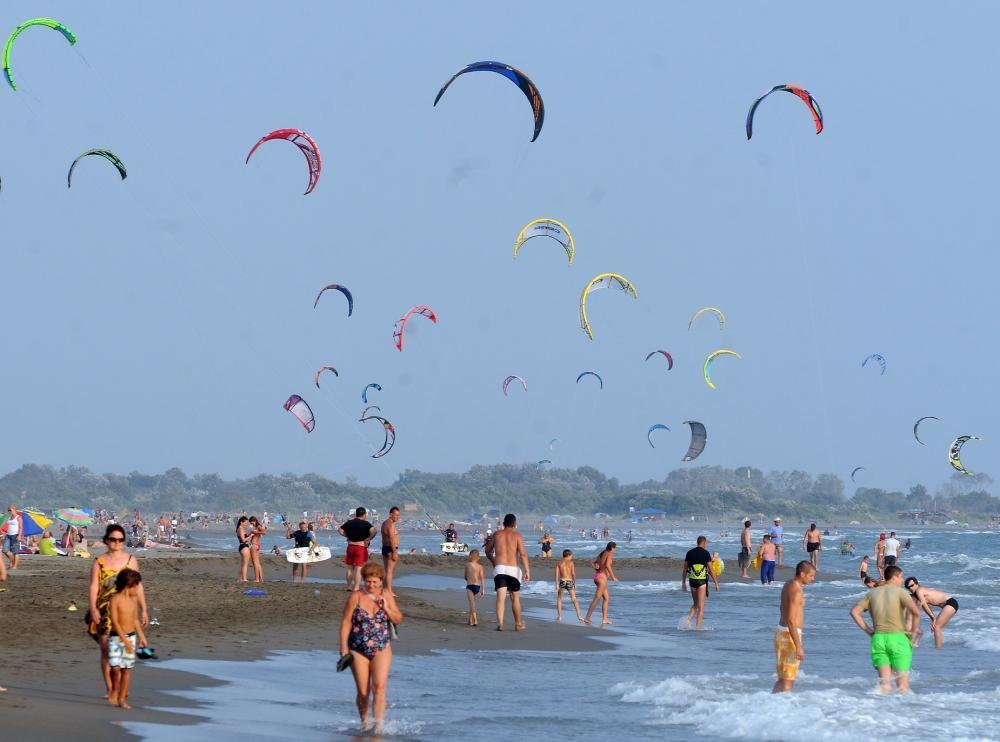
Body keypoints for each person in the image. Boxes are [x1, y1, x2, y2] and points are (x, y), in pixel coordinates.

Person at [339, 562, 404, 734]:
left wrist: (387, 608)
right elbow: (346, 622)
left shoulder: (387, 595)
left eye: (375, 582)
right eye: (368, 581)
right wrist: (343, 648)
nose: (371, 585)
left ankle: (378, 727)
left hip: (382, 646)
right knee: (363, 692)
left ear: (381, 581)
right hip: (357, 648)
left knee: (379, 687)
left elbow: (398, 619)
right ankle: (365, 723)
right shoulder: (356, 597)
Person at [88, 524, 148, 701]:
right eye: (113, 539)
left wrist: (143, 609)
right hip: (104, 610)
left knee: (124, 650)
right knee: (106, 650)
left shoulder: (130, 561)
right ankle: (111, 689)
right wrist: (92, 609)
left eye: (121, 540)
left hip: (126, 611)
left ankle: (121, 688)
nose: (117, 543)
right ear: (106, 540)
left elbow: (138, 586)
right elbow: (93, 586)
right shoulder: (99, 561)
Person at [849, 565, 921, 694]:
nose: (901, 580)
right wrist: (912, 634)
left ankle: (877, 712)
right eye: (901, 577)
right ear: (894, 577)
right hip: (898, 639)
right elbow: (916, 613)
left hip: (878, 639)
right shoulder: (901, 592)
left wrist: (869, 632)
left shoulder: (871, 593)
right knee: (903, 687)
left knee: (884, 686)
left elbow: (854, 612)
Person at [107, 568, 148, 710]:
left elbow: (135, 620)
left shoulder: (133, 600)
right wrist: (123, 640)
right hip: (116, 637)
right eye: (136, 586)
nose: (137, 589)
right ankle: (113, 690)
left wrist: (142, 636)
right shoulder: (115, 599)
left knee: (126, 669)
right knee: (115, 668)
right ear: (127, 585)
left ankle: (122, 698)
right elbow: (115, 621)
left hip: (131, 637)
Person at [773, 561, 816, 692]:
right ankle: (783, 708)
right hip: (789, 636)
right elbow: (791, 620)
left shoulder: (787, 584)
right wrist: (798, 646)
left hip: (782, 633)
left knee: (783, 679)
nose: (813, 579)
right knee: (788, 681)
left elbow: (782, 609)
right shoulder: (796, 591)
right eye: (811, 576)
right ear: (802, 574)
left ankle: (771, 704)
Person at [484, 513, 531, 631]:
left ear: (504, 523)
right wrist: (527, 571)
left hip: (499, 569)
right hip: (513, 569)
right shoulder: (517, 536)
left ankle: (500, 624)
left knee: (500, 598)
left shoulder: (497, 534)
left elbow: (487, 551)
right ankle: (518, 624)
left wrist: (494, 561)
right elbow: (523, 554)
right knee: (515, 598)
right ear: (514, 524)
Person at [905, 577, 959, 648]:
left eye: (912, 585)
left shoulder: (919, 591)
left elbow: (924, 604)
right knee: (937, 628)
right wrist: (933, 618)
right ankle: (941, 650)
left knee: (936, 627)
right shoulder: (917, 594)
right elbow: (926, 606)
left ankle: (938, 650)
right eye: (908, 587)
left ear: (917, 584)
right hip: (948, 605)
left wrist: (933, 618)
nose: (911, 588)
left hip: (950, 603)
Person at [681, 536, 719, 630]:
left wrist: (683, 583)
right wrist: (716, 583)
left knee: (695, 604)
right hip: (702, 581)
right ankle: (698, 629)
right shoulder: (706, 553)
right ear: (704, 543)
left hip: (692, 581)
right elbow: (711, 570)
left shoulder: (689, 553)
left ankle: (687, 622)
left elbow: (685, 569)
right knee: (701, 607)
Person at [339, 508, 376, 592]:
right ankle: (356, 587)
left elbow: (340, 530)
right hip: (360, 547)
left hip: (350, 546)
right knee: (358, 568)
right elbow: (374, 531)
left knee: (349, 568)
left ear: (356, 514)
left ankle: (349, 586)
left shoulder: (349, 522)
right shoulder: (366, 523)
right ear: (364, 515)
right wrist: (369, 538)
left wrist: (347, 536)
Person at [586, 542, 619, 626]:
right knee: (596, 599)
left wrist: (595, 567)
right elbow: (608, 565)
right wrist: (613, 577)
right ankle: (587, 618)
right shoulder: (609, 553)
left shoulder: (603, 552)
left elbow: (592, 561)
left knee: (607, 598)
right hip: (602, 578)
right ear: (612, 548)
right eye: (615, 548)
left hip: (597, 576)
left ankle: (604, 619)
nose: (616, 549)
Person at [555, 549, 584, 623]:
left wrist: (556, 584)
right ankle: (579, 616)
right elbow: (573, 573)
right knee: (574, 599)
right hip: (570, 581)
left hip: (562, 581)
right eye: (571, 555)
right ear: (568, 555)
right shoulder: (571, 563)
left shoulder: (559, 563)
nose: (572, 557)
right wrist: (575, 583)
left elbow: (557, 575)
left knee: (559, 599)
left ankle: (560, 616)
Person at [380, 507, 401, 595]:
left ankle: (385, 589)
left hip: (385, 547)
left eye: (398, 515)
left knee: (386, 570)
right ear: (391, 514)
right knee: (389, 571)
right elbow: (392, 539)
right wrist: (394, 552)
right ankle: (389, 591)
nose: (397, 517)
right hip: (390, 549)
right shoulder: (390, 525)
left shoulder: (384, 523)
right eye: (396, 515)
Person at [464, 549, 485, 626]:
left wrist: (468, 578)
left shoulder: (467, 564)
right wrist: (483, 589)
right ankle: (470, 620)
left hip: (470, 586)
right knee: (472, 604)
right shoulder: (480, 566)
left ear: (470, 556)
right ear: (478, 557)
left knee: (472, 604)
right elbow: (482, 578)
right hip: (477, 586)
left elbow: (465, 576)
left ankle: (475, 620)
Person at [3, 505, 24, 571]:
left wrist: (19, 535)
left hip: (15, 535)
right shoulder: (10, 517)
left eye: (10, 510)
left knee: (15, 552)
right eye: (8, 510)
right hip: (8, 535)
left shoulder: (18, 517)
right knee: (5, 550)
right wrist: (5, 533)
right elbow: (9, 527)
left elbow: (21, 528)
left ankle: (14, 566)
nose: (9, 511)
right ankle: (12, 562)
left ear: (14, 510)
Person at [247, 516, 267, 583]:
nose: (251, 524)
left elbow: (264, 533)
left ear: (254, 520)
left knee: (255, 562)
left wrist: (255, 532)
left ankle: (257, 579)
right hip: (256, 545)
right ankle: (261, 579)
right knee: (257, 563)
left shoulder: (258, 526)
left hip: (254, 545)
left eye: (251, 522)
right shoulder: (257, 527)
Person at [235, 516, 252, 582]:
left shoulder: (239, 528)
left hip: (242, 547)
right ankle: (244, 579)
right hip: (244, 547)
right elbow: (243, 540)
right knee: (245, 564)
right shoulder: (241, 528)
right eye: (246, 522)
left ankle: (240, 578)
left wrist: (250, 534)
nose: (246, 524)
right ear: (241, 522)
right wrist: (251, 536)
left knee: (243, 564)